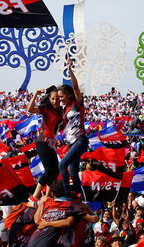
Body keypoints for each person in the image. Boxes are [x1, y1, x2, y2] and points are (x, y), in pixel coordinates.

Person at [57, 58, 89, 197]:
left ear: (69, 95)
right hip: (71, 143)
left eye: (61, 96)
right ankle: (80, 196)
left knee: (62, 165)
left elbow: (76, 87)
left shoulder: (77, 103)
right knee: (73, 172)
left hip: (80, 140)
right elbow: (62, 126)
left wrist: (69, 69)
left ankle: (66, 192)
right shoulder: (65, 110)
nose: (60, 99)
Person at [27, 86, 63, 202]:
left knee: (56, 170)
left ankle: (47, 196)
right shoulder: (45, 108)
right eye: (53, 99)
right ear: (49, 98)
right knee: (48, 170)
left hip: (51, 144)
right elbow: (30, 109)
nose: (55, 101)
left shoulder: (61, 110)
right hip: (42, 141)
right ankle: (34, 197)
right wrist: (36, 93)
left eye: (57, 99)